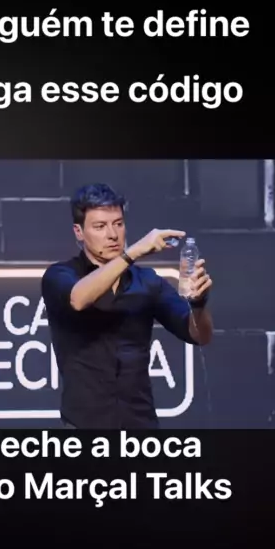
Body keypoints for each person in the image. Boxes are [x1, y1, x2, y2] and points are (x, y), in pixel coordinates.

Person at [41, 183, 213, 428]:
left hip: (141, 425)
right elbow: (78, 299)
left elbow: (199, 335)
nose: (112, 235)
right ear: (79, 232)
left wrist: (198, 303)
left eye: (118, 224)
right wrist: (133, 252)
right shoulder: (60, 275)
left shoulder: (148, 282)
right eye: (100, 226)